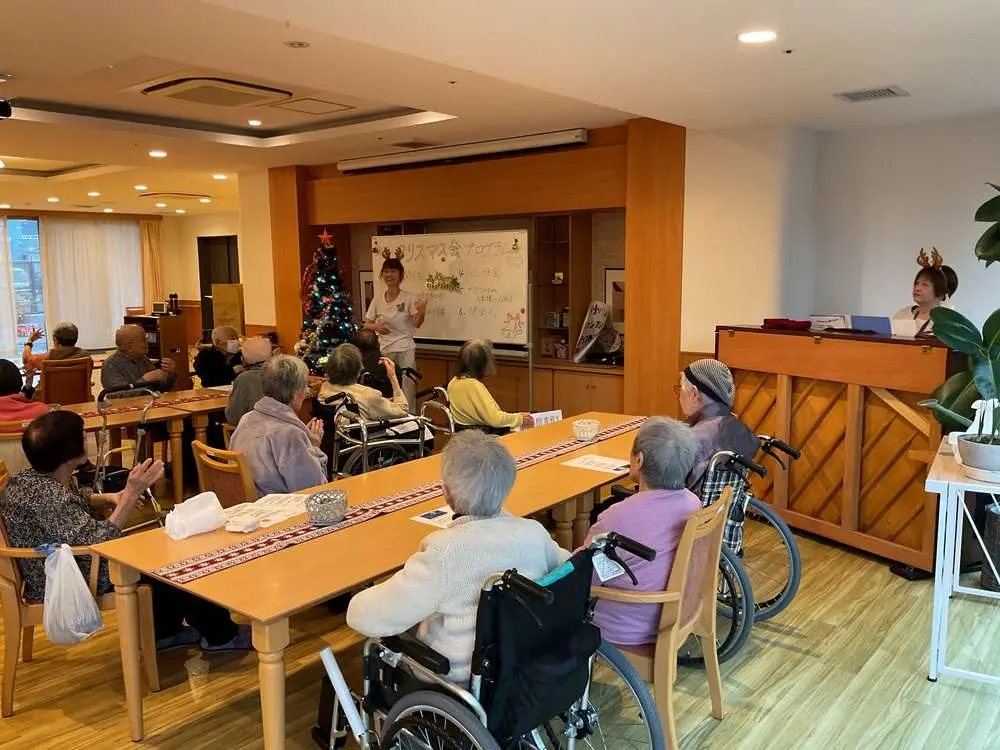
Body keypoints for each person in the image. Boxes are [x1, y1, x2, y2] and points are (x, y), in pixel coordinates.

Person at [0, 411, 250, 651]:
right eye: (82, 434)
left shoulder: (30, 477)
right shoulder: (49, 498)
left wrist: (108, 497)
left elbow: (74, 498)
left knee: (161, 548)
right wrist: (131, 493)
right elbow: (99, 541)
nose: (86, 437)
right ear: (68, 455)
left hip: (54, 565)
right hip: (68, 576)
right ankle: (221, 635)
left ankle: (166, 632)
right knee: (173, 558)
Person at [347, 430, 569, 684]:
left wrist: (360, 599)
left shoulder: (444, 553)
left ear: (446, 494)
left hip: (457, 678)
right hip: (521, 661)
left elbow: (364, 617)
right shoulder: (534, 532)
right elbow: (566, 565)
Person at [583, 417, 701, 647]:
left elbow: (586, 576)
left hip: (624, 625)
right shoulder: (693, 503)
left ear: (639, 460)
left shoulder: (617, 517)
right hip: (676, 612)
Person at [230, 355, 327, 494]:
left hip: (243, 500)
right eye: (305, 386)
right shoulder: (289, 434)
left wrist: (304, 440)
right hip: (276, 504)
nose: (306, 391)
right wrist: (314, 447)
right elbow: (315, 489)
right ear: (295, 393)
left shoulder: (247, 418)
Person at [680, 358, 759, 495]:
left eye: (680, 389)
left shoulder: (688, 439)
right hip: (724, 505)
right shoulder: (744, 432)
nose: (679, 397)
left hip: (688, 507)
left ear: (694, 394)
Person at [362, 256, 427, 410]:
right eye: (386, 271)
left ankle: (410, 418)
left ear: (400, 275)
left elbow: (416, 323)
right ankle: (389, 417)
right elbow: (366, 324)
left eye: (393, 271)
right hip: (385, 350)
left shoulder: (408, 297)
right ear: (382, 275)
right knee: (386, 388)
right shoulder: (378, 298)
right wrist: (376, 327)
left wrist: (422, 311)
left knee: (407, 387)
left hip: (405, 348)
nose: (389, 275)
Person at [447, 339, 532, 434]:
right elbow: (495, 419)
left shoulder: (454, 381)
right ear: (483, 363)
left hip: (464, 435)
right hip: (480, 437)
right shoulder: (474, 385)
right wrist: (520, 418)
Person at [319, 343, 409, 421]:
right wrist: (393, 377)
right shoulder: (369, 396)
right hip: (366, 434)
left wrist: (383, 401)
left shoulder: (325, 387)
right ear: (359, 369)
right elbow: (402, 410)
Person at [892, 250, 959, 336]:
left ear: (940, 292)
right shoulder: (902, 315)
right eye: (916, 283)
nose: (917, 288)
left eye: (925, 284)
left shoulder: (948, 322)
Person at [101, 324, 176, 394]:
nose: (147, 342)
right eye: (143, 340)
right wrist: (145, 380)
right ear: (129, 348)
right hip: (129, 404)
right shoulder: (110, 365)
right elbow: (119, 396)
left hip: (149, 402)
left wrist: (169, 374)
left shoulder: (143, 358)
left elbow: (161, 388)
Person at [225, 336, 273, 425]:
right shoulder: (283, 373)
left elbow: (233, 417)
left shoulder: (244, 379)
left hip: (256, 429)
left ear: (243, 360)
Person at [22, 322, 90, 377]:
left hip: (51, 391)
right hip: (78, 390)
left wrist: (30, 341)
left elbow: (26, 360)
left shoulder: (49, 357)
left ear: (55, 340)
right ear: (76, 338)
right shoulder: (85, 356)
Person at [351, 328, 392, 398]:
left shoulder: (351, 367)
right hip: (388, 402)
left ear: (356, 348)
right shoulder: (391, 367)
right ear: (378, 344)